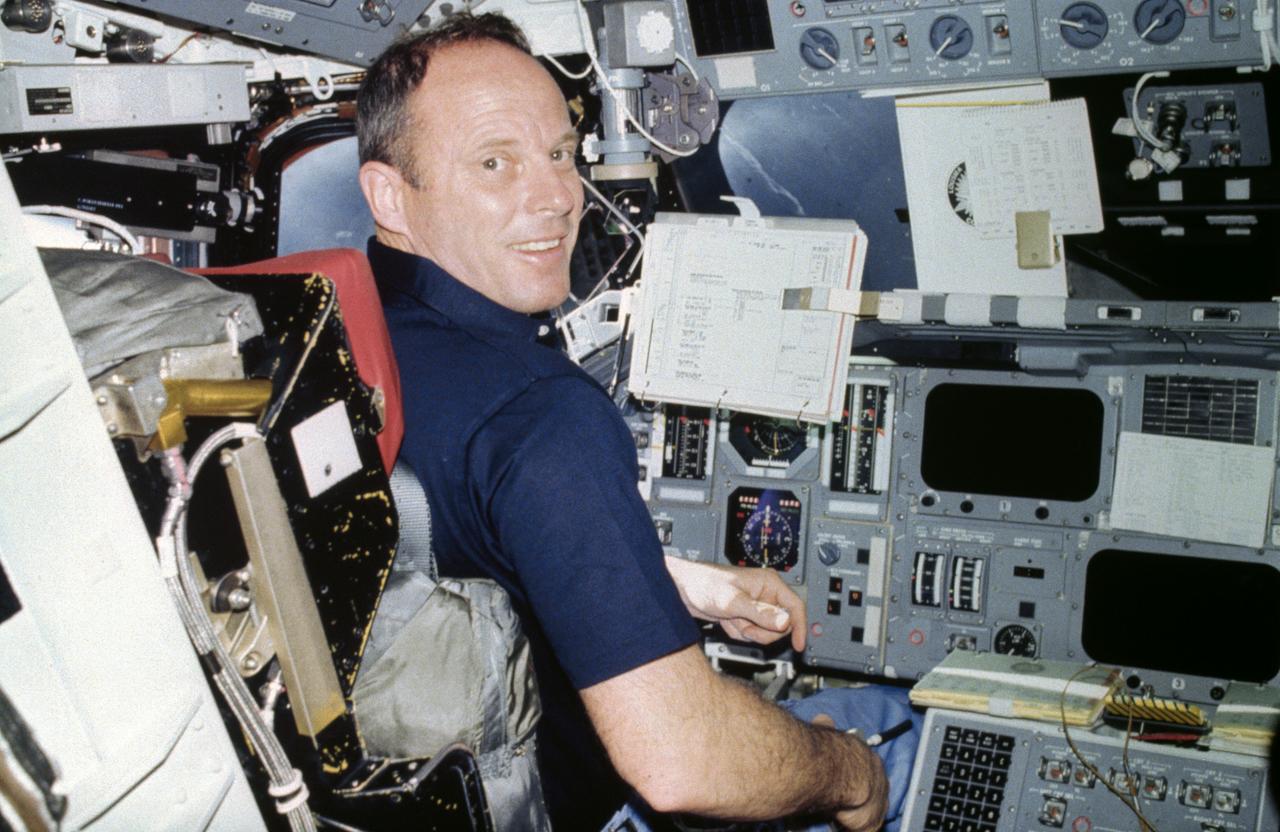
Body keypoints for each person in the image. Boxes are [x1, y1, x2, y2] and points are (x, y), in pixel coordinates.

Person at [355, 12, 888, 830]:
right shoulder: (541, 415)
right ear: (391, 192)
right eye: (495, 163)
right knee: (904, 735)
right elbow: (683, 761)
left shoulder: (344, 331)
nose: (559, 198)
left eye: (562, 154)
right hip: (562, 808)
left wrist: (670, 581)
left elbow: (438, 545)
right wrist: (849, 774)